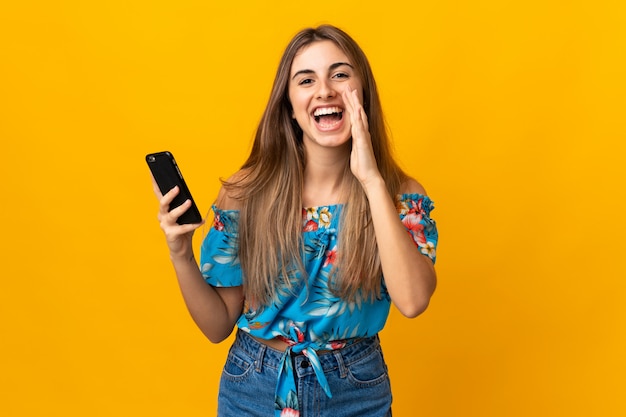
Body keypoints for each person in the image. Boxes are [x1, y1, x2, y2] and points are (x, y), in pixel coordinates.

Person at [151, 24, 438, 417]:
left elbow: (413, 300)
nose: (324, 90)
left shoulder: (399, 194)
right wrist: (180, 252)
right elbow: (217, 326)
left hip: (356, 390)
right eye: (306, 80)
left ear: (362, 90)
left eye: (340, 74)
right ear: (288, 102)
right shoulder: (246, 193)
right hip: (254, 386)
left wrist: (371, 181)